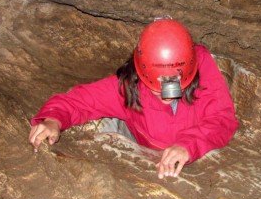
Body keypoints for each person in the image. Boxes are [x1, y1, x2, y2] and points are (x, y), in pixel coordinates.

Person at [28, 18, 239, 179]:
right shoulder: (128, 88)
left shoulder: (200, 66)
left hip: (186, 142)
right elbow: (79, 100)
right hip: (141, 141)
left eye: (173, 84)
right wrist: (53, 120)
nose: (167, 93)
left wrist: (188, 146)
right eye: (158, 87)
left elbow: (223, 119)